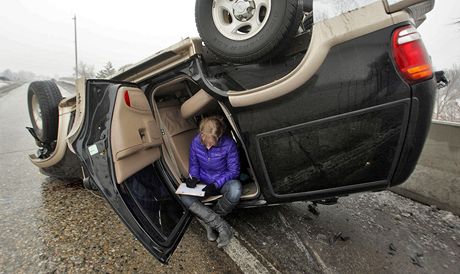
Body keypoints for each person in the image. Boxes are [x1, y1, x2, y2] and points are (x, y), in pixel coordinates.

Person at [181, 116, 242, 248]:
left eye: (213, 142)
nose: (209, 146)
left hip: (221, 181)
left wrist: (216, 184)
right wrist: (194, 178)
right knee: (184, 197)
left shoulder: (229, 144)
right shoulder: (196, 142)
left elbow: (234, 171)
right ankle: (220, 226)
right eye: (206, 141)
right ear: (201, 134)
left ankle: (210, 222)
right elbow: (194, 165)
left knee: (236, 189)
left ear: (219, 136)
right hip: (203, 182)